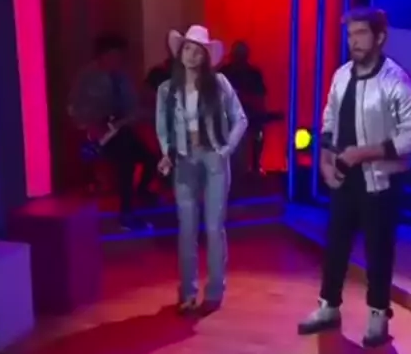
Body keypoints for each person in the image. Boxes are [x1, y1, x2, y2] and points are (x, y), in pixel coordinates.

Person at [298, 7, 411, 347]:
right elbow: (329, 121)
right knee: (335, 244)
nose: (353, 41)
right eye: (350, 34)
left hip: (380, 182)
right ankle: (328, 306)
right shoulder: (341, 76)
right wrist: (326, 160)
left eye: (360, 34)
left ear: (380, 37)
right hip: (344, 178)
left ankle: (378, 314)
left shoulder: (396, 81)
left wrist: (363, 153)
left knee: (378, 250)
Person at [155, 24, 248, 313]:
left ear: (206, 57)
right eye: (187, 49)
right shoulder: (167, 90)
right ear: (180, 52)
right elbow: (163, 129)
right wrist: (166, 154)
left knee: (213, 226)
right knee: (186, 229)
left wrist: (226, 150)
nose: (191, 55)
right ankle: (187, 292)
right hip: (184, 160)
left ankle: (215, 291)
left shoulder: (219, 83)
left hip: (213, 158)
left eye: (198, 51)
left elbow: (240, 119)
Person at [68, 33, 157, 230]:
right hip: (95, 138)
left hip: (120, 130)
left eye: (120, 56)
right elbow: (75, 109)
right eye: (113, 55)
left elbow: (133, 107)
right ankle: (126, 214)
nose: (117, 60)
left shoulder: (122, 78)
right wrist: (90, 125)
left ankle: (141, 193)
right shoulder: (87, 78)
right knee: (126, 159)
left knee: (151, 158)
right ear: (102, 55)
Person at [221, 41, 267, 173]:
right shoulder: (224, 73)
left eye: (242, 55)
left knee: (259, 132)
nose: (239, 58)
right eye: (237, 54)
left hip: (250, 114)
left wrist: (245, 97)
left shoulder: (254, 74)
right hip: (227, 115)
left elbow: (261, 94)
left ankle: (256, 164)